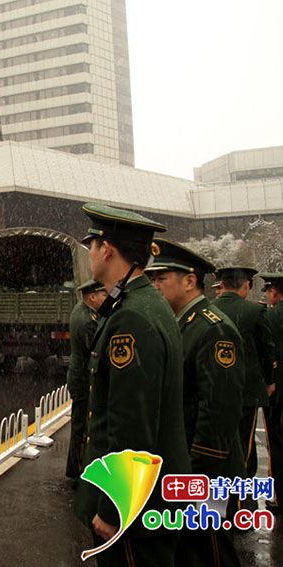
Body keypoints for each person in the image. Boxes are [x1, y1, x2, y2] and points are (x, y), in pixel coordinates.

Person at [73, 203, 190, 567]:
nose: (90, 254)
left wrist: (114, 508)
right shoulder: (144, 303)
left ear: (106, 249)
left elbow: (132, 424)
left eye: (92, 245)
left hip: (135, 511)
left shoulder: (132, 318)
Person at [147, 239, 244, 566]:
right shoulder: (182, 323)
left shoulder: (213, 330)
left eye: (162, 279)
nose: (155, 286)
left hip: (207, 470)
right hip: (186, 464)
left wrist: (197, 473)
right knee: (189, 551)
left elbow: (219, 413)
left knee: (211, 551)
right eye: (153, 279)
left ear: (190, 281)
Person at [214, 266, 276, 479]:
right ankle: (241, 486)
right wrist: (269, 381)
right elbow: (266, 350)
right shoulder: (255, 311)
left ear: (222, 284)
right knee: (244, 443)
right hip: (247, 388)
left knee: (219, 440)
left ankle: (220, 485)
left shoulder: (210, 310)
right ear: (247, 285)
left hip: (216, 387)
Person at [65, 279, 107, 482]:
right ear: (92, 297)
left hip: (77, 375)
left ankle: (75, 468)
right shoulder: (89, 320)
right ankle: (78, 473)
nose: (106, 298)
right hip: (83, 378)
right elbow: (95, 350)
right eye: (103, 295)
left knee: (79, 425)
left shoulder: (79, 310)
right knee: (82, 429)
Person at [259, 272, 283, 511]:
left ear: (274, 292)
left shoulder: (270, 317)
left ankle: (279, 496)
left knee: (276, 442)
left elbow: (266, 352)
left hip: (278, 390)